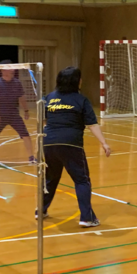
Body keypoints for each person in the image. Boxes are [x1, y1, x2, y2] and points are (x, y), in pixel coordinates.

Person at [41, 67, 111, 228]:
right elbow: (92, 124)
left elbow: (43, 121)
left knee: (51, 178)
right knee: (82, 180)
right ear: (76, 81)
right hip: (70, 144)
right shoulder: (81, 100)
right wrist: (104, 143)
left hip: (49, 143)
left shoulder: (49, 98)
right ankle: (87, 217)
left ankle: (41, 210)